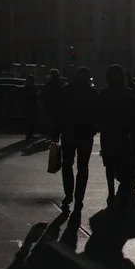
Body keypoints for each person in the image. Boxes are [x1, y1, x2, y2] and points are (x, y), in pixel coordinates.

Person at [53, 66, 99, 212]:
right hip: (85, 134)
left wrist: (55, 132)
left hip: (69, 132)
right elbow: (97, 113)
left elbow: (58, 112)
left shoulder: (65, 90)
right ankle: (79, 197)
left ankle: (68, 194)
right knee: (83, 167)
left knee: (67, 164)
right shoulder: (92, 93)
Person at [98, 64, 135, 207]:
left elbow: (99, 114)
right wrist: (134, 134)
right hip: (124, 134)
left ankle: (110, 193)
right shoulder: (128, 93)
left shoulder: (104, 93)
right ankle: (124, 191)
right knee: (124, 164)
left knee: (109, 165)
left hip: (109, 134)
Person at [43, 69, 64, 140]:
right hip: (58, 104)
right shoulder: (60, 83)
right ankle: (55, 136)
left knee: (51, 121)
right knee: (57, 122)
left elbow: (46, 94)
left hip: (51, 104)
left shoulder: (49, 83)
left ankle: (51, 135)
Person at [23, 74, 39, 141]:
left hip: (29, 107)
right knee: (30, 122)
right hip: (30, 107)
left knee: (31, 122)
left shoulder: (28, 88)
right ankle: (29, 136)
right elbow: (32, 97)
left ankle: (29, 135)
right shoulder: (29, 89)